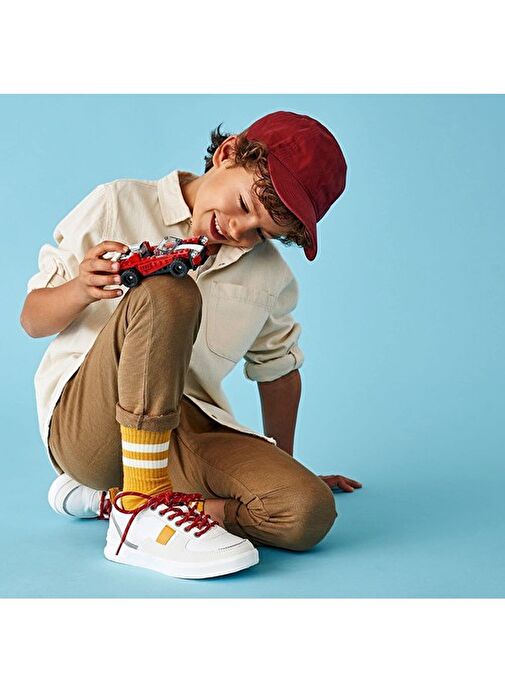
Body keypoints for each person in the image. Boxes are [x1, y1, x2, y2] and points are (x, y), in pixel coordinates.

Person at [21, 110, 362, 580]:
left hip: (185, 427)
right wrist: (81, 288)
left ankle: (113, 502)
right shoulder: (118, 202)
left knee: (306, 510)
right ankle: (138, 511)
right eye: (243, 204)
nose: (239, 231)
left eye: (261, 232)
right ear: (227, 154)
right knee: (169, 291)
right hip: (91, 428)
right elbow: (32, 319)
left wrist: (280, 466)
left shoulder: (269, 276)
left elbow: (278, 370)